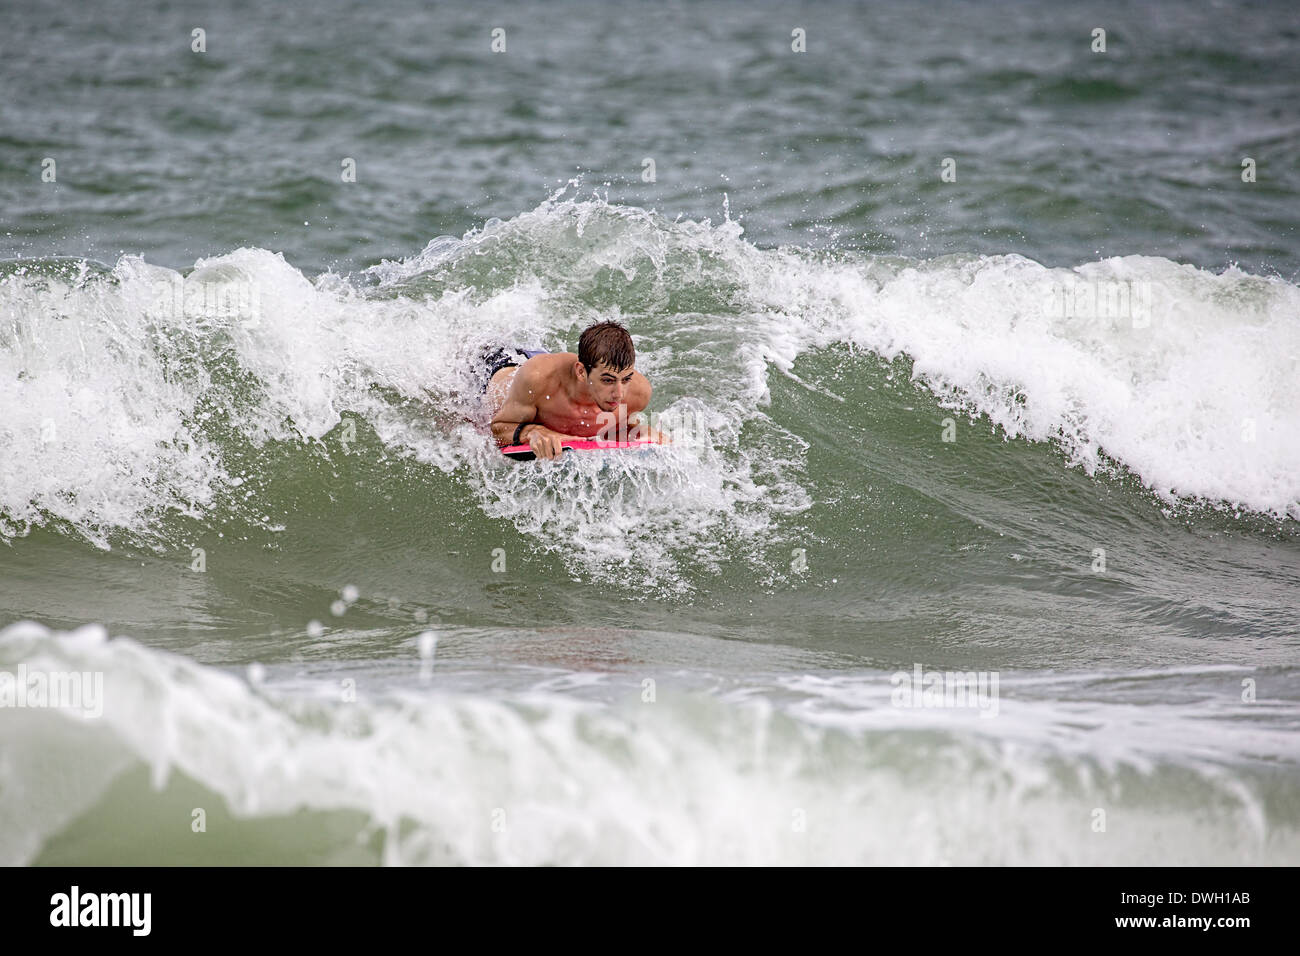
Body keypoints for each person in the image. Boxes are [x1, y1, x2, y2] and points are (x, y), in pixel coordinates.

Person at [485, 321, 658, 459]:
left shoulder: (639, 394)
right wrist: (532, 432)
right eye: (607, 380)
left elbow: (616, 429)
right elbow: (498, 429)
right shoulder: (537, 379)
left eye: (626, 379)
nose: (619, 393)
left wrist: (641, 433)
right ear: (581, 372)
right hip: (495, 369)